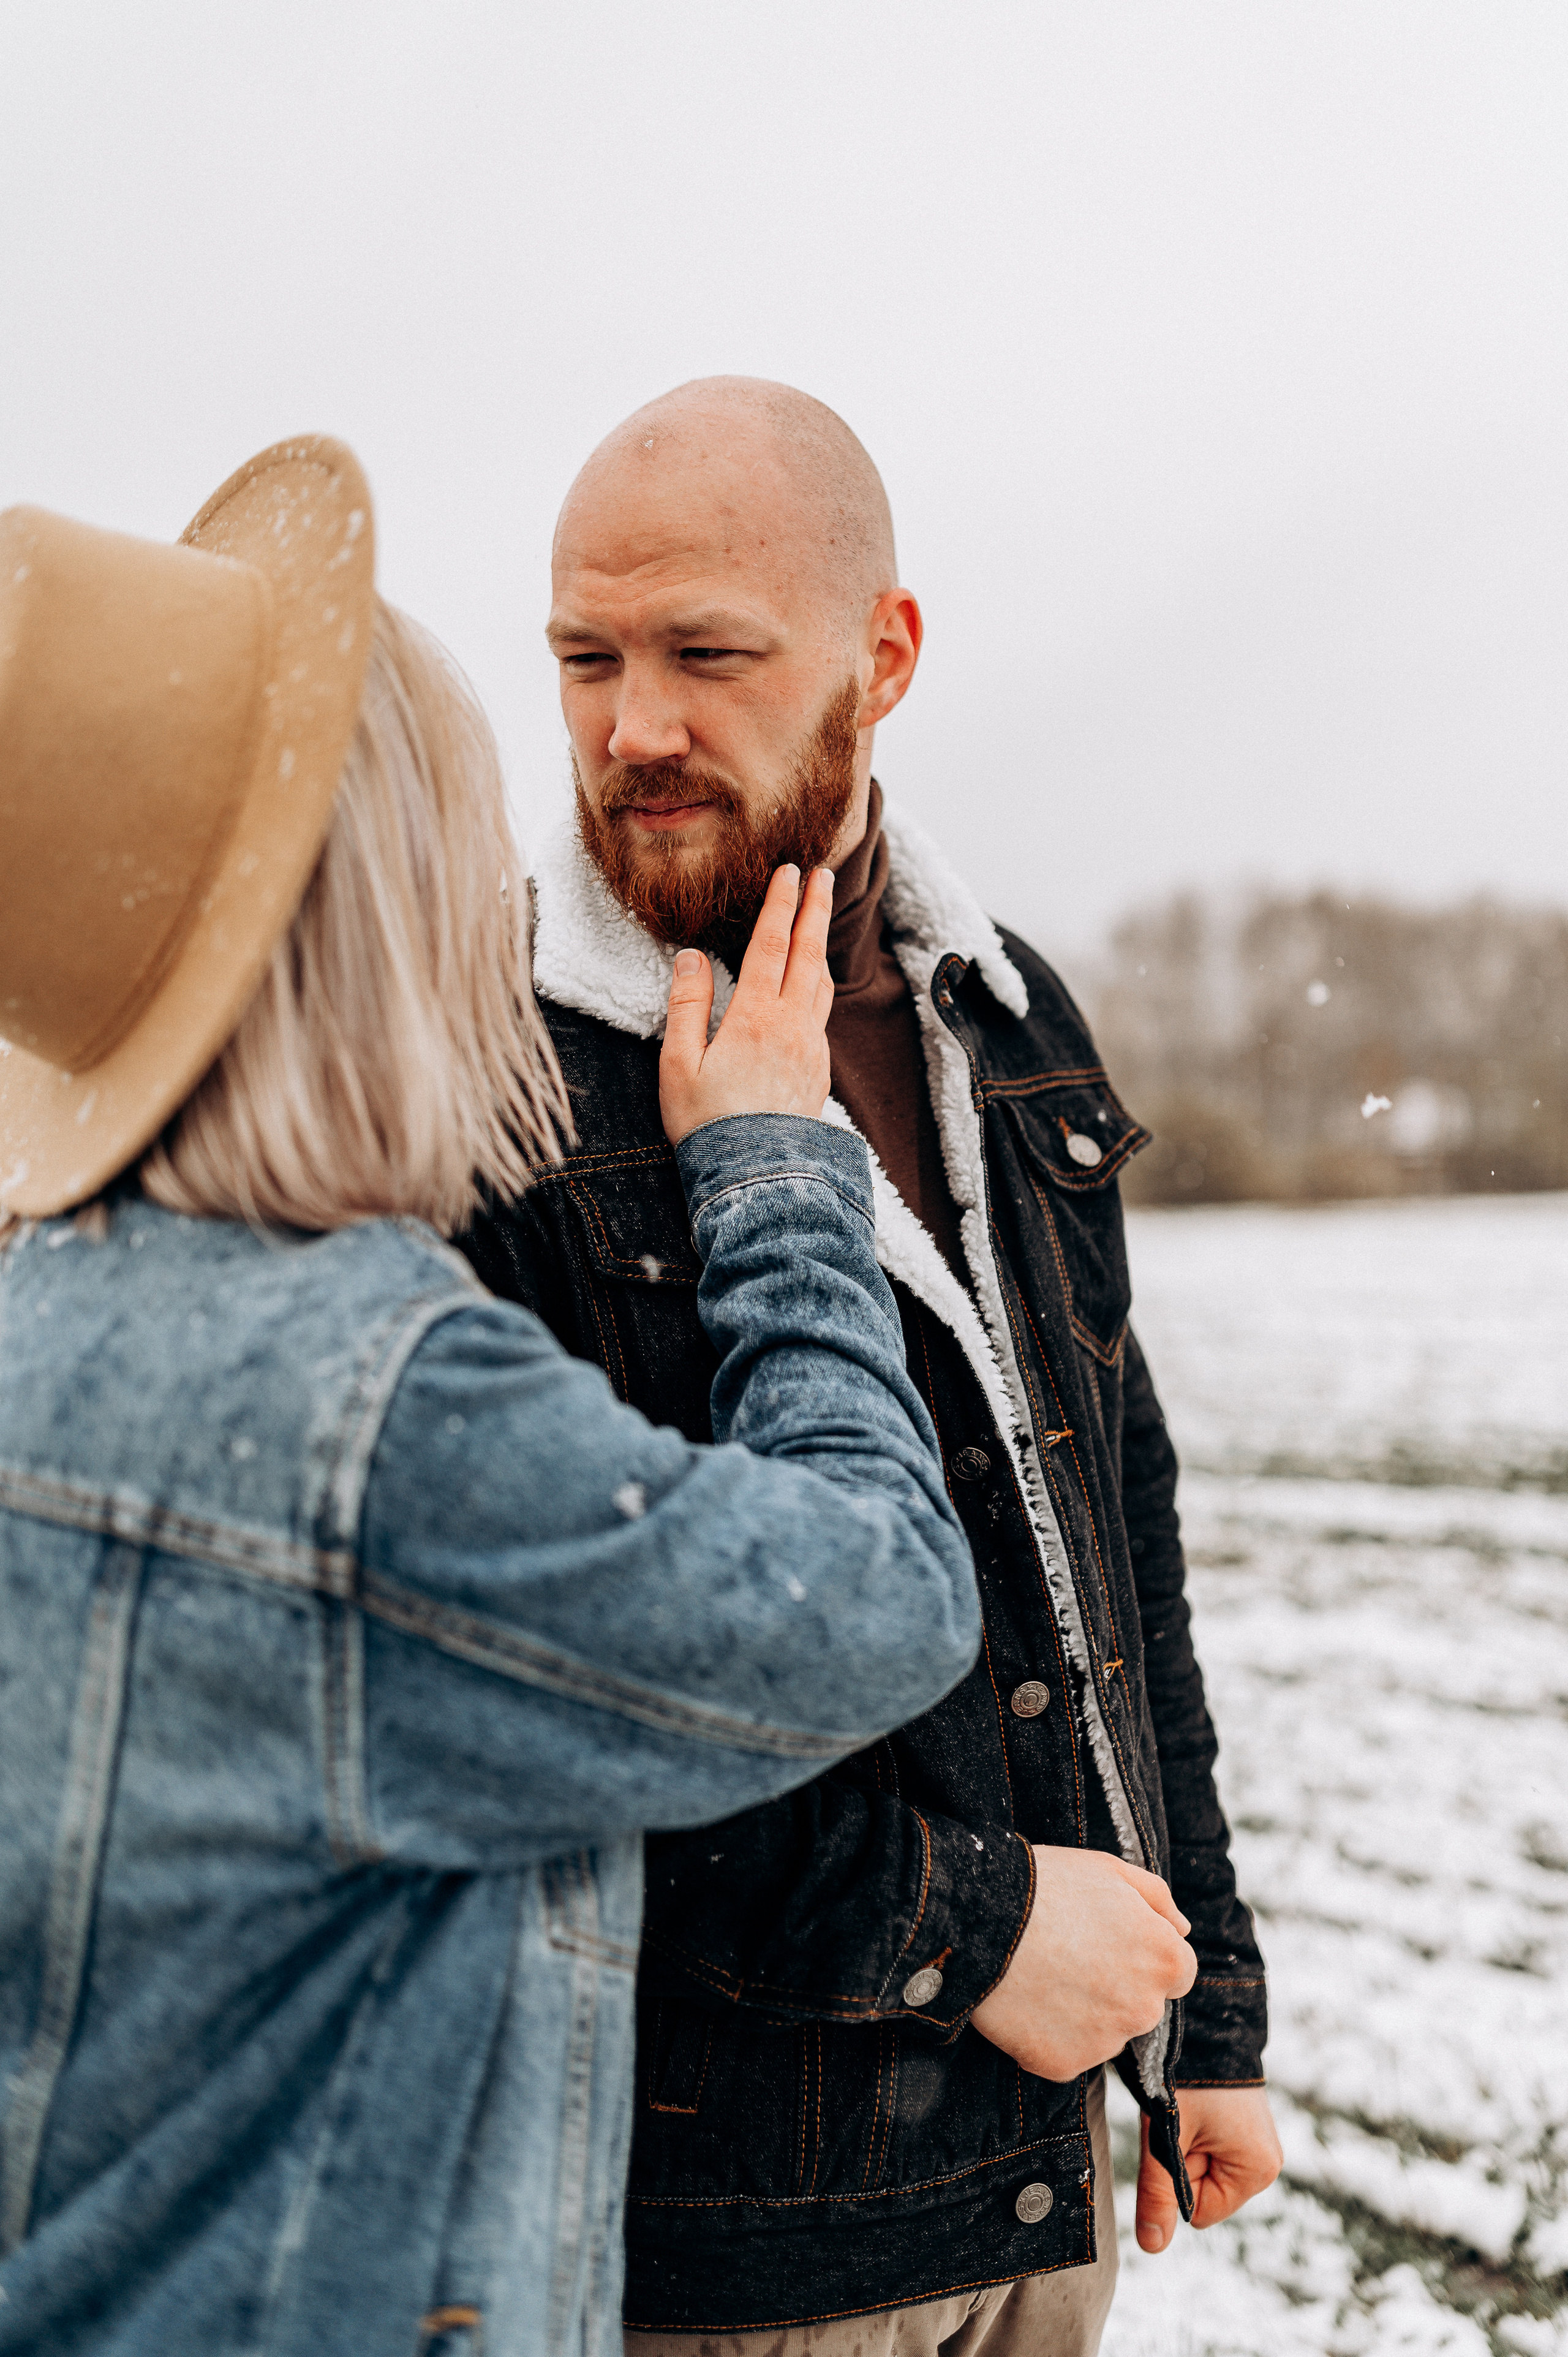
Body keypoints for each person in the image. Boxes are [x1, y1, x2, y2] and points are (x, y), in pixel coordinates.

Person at [0, 437, 985, 2357]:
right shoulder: (376, 1416)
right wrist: (784, 1181)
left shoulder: (41, 1332)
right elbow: (877, 1596)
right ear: (376, 902)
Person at [462, 379, 1283, 2355]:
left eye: (703, 655)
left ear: (882, 657)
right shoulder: (479, 1074)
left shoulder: (1011, 1025)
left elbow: (1113, 1558)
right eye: (586, 657)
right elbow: (523, 1701)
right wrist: (972, 1931)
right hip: (709, 2243)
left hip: (1036, 2176)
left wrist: (1212, 2013)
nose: (630, 724)